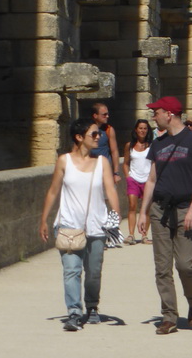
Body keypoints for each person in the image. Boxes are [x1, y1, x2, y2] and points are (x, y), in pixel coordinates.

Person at [39, 118, 120, 330]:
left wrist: (116, 217)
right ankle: (74, 312)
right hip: (68, 225)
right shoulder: (64, 161)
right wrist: (44, 220)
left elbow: (110, 190)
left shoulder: (102, 162)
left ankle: (92, 306)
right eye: (93, 134)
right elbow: (53, 191)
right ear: (79, 137)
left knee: (93, 272)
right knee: (71, 271)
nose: (98, 137)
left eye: (99, 134)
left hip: (97, 225)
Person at [138, 96, 192, 335]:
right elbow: (151, 180)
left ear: (169, 114)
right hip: (160, 209)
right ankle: (169, 316)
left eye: (155, 112)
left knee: (185, 264)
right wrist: (143, 212)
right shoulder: (157, 144)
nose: (152, 116)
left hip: (185, 208)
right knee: (162, 267)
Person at [122, 119, 153, 244]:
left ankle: (144, 235)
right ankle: (131, 234)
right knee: (132, 206)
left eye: (145, 128)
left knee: (146, 209)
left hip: (147, 180)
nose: (142, 131)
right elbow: (125, 163)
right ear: (136, 130)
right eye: (140, 128)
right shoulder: (129, 146)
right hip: (134, 179)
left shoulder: (151, 146)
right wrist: (128, 177)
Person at [89, 101, 121, 184]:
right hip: (89, 169)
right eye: (104, 114)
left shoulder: (109, 129)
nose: (107, 116)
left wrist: (116, 173)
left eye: (107, 114)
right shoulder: (86, 129)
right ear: (95, 115)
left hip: (105, 170)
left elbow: (114, 151)